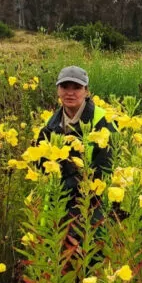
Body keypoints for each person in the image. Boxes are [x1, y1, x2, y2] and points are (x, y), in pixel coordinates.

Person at [38, 66, 115, 226]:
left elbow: (106, 168)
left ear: (86, 91)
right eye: (64, 87)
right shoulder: (51, 124)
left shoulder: (102, 120)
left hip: (91, 207)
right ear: (58, 90)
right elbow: (40, 165)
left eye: (77, 87)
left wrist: (67, 182)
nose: (70, 92)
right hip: (57, 205)